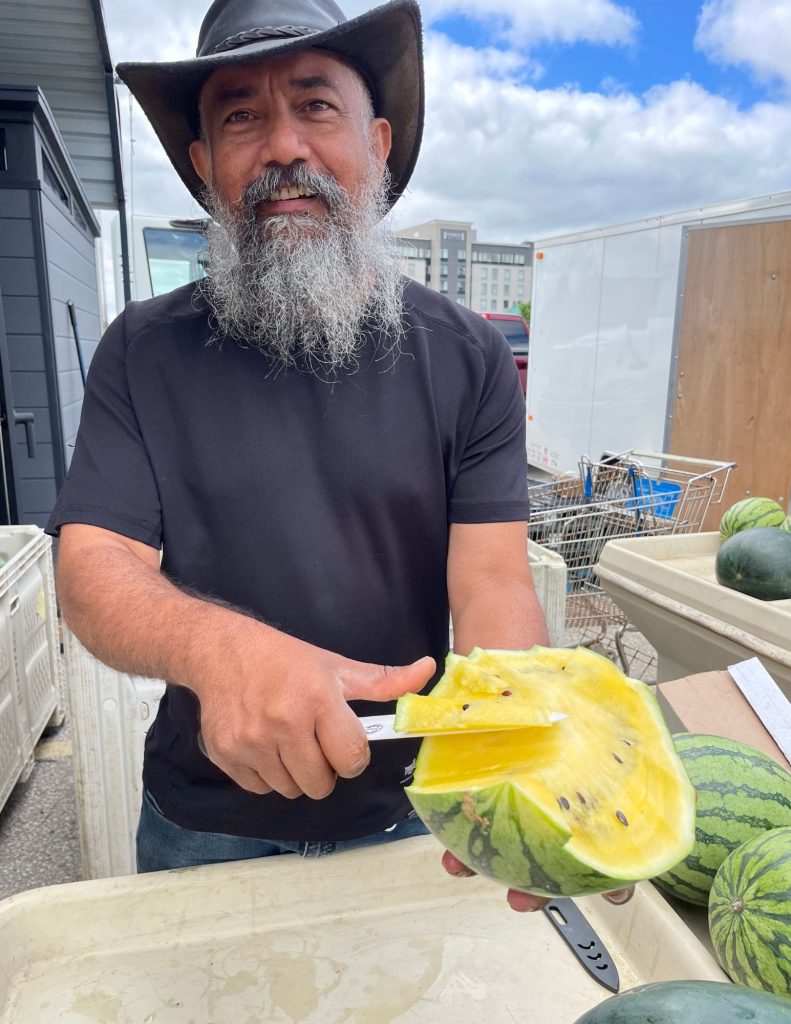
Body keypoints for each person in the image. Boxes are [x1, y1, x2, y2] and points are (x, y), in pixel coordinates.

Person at [48, 0, 625, 911]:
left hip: (410, 812)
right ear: (203, 165)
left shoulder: (465, 354)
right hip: (204, 827)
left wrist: (518, 754)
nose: (283, 147)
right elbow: (93, 565)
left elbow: (491, 583)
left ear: (378, 144)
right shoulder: (141, 349)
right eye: (240, 116)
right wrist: (217, 648)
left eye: (316, 105)